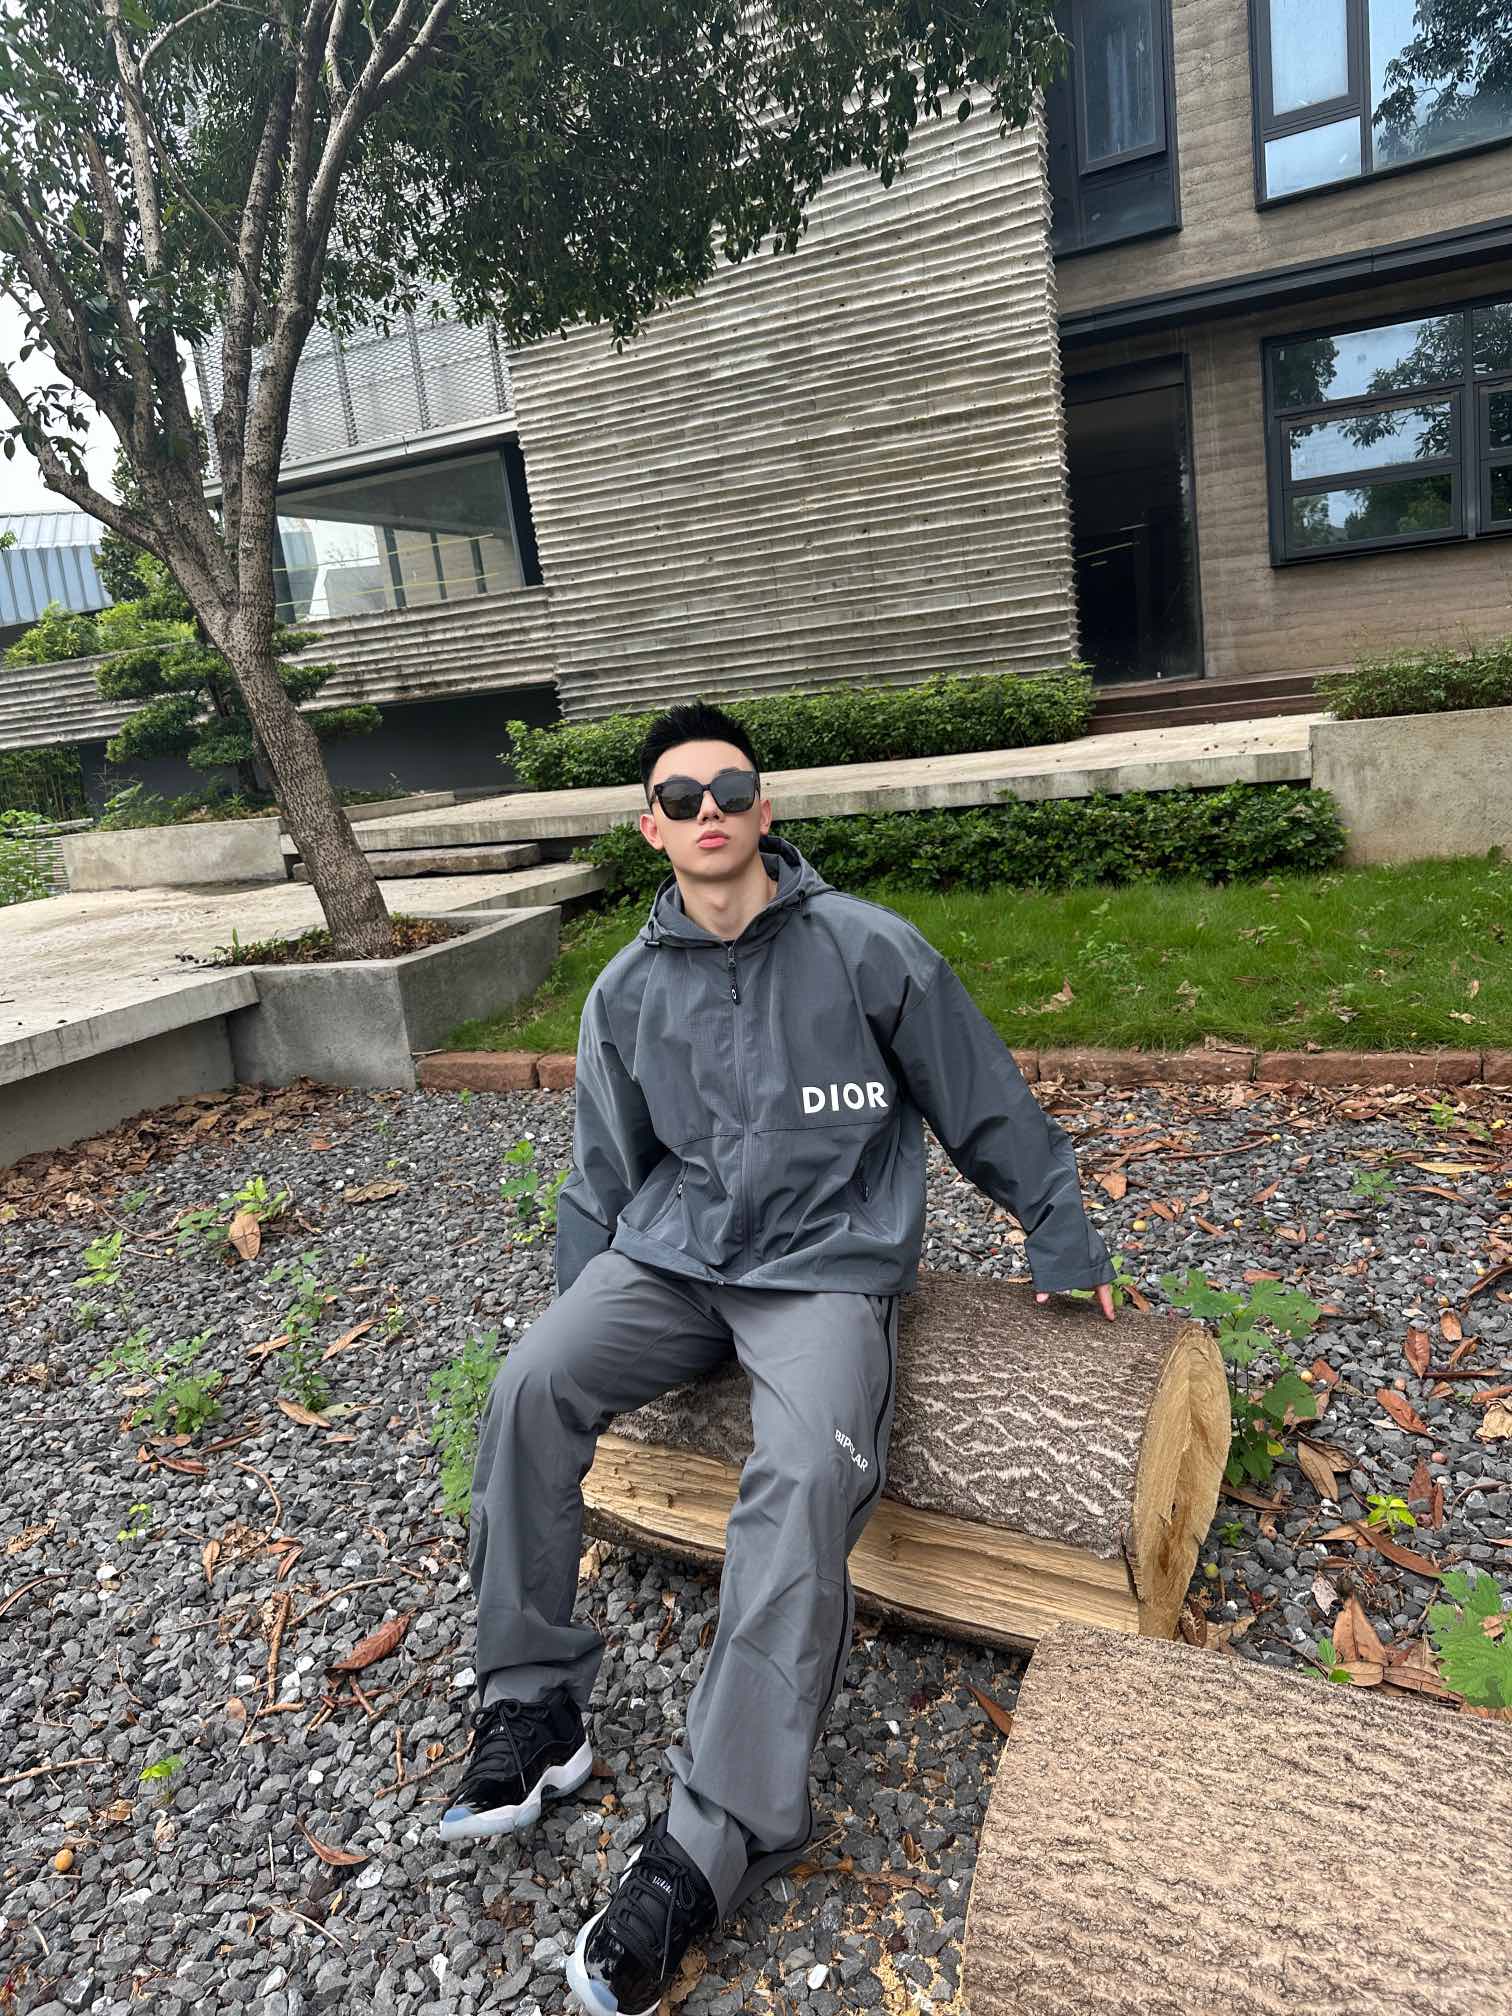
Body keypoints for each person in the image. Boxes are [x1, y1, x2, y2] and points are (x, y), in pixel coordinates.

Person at [442, 699, 1117, 2016]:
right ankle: (533, 1707)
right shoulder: (626, 990)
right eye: (679, 797)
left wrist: (1061, 1233)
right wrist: (583, 1319)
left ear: (765, 807)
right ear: (651, 827)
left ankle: (717, 1836)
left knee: (804, 1474)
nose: (708, 811)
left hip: (823, 1271)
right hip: (674, 1261)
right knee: (530, 1384)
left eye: (729, 789)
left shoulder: (867, 949)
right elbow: (601, 1171)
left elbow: (980, 1092)